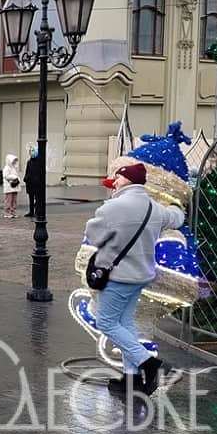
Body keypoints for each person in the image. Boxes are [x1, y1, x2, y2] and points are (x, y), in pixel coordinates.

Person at [83, 163, 184, 396]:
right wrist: (178, 205)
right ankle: (131, 379)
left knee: (106, 322)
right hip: (141, 276)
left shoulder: (114, 207)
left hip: (118, 276)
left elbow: (94, 235)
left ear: (127, 180)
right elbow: (176, 218)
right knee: (126, 323)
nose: (114, 183)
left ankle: (149, 364)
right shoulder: (155, 208)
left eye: (116, 179)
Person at [23, 148, 44, 218]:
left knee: (37, 199)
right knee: (31, 198)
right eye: (31, 152)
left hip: (37, 183)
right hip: (30, 183)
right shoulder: (29, 162)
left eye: (33, 152)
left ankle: (37, 212)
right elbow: (27, 171)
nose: (31, 153)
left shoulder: (39, 162)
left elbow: (41, 173)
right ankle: (31, 212)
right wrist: (26, 178)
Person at [2, 154, 22, 220]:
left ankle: (13, 211)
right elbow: (6, 176)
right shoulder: (6, 168)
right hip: (9, 187)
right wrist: (14, 177)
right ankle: (7, 212)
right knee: (9, 200)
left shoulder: (14, 168)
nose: (14, 162)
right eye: (13, 161)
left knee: (14, 200)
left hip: (14, 186)